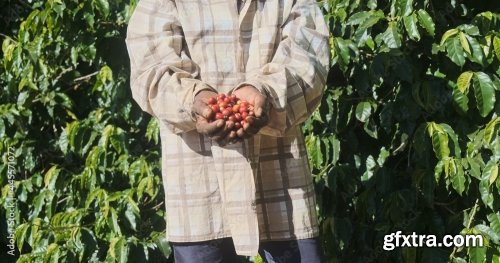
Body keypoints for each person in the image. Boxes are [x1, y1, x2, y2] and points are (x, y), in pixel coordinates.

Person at [126, 0, 330, 262]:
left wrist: (265, 92)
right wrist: (193, 99)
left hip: (281, 186)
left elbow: (309, 60)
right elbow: (150, 68)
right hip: (199, 190)